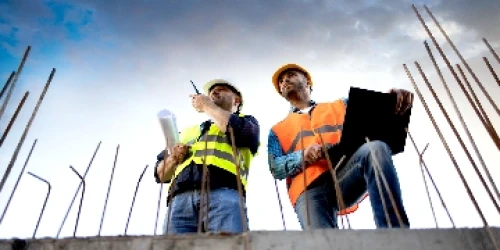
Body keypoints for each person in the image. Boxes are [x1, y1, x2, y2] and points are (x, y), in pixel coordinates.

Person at [267, 63, 412, 229]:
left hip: (344, 175)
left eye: (290, 75)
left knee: (375, 148)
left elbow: (378, 115)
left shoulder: (341, 105)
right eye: (281, 82)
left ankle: (395, 233)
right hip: (308, 191)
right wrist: (302, 156)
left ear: (307, 82)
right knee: (323, 242)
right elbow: (276, 167)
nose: (284, 81)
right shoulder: (277, 130)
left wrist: (392, 100)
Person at [154, 79, 260, 234]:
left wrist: (206, 105)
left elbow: (241, 134)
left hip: (224, 195)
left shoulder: (247, 122)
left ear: (237, 100)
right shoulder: (186, 132)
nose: (214, 92)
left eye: (221, 89)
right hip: (180, 202)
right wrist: (173, 159)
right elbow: (160, 175)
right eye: (211, 91)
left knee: (228, 246)